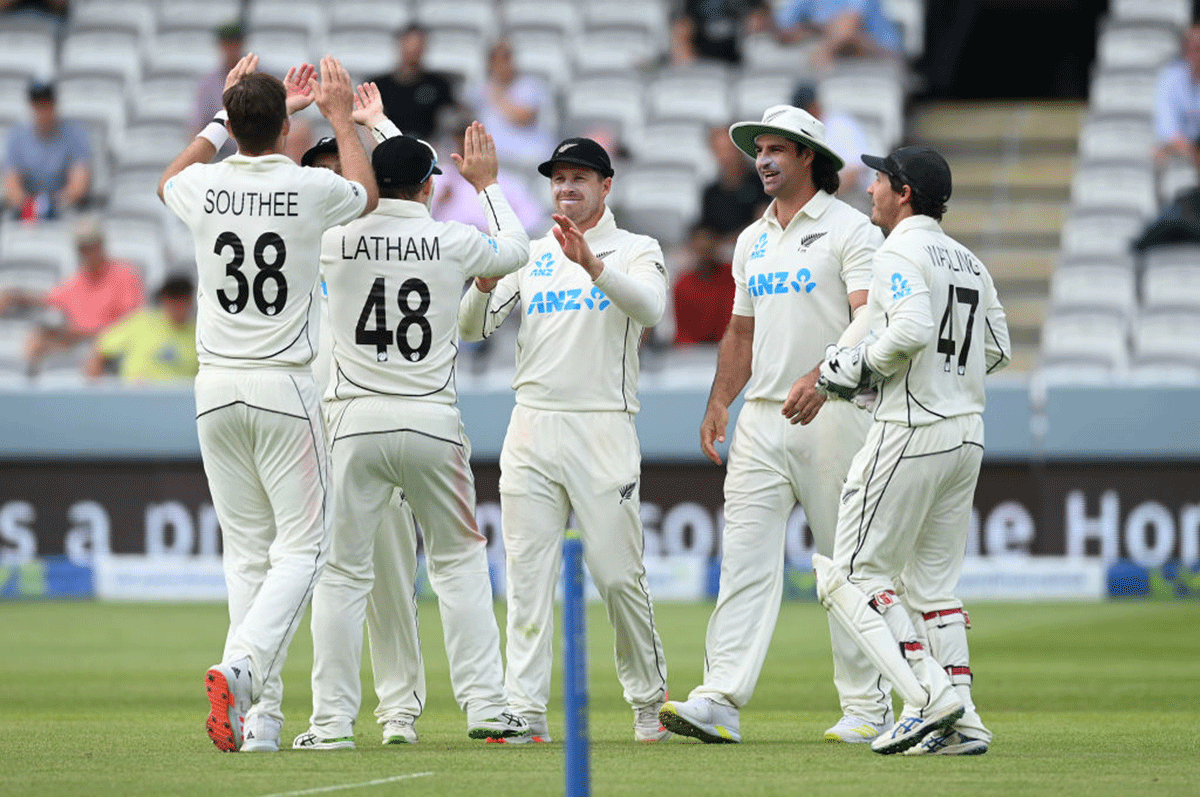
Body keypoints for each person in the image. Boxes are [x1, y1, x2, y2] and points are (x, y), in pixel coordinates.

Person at [158, 53, 379, 753]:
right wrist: (341, 117)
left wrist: (225, 114)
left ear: (234, 120)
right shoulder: (307, 189)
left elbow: (168, 178)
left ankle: (261, 722)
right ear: (288, 126)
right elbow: (366, 195)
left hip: (215, 388)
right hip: (283, 382)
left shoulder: (205, 183)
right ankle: (244, 667)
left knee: (248, 554)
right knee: (306, 547)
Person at [293, 112, 534, 750]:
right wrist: (486, 185)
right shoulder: (452, 239)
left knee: (343, 576)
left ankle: (332, 725)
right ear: (429, 187)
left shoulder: (336, 238)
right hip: (432, 420)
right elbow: (518, 248)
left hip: (353, 422)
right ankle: (486, 707)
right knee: (458, 562)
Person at [659, 105, 889, 745]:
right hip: (760, 421)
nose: (760, 160)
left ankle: (869, 710)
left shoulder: (852, 229)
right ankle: (720, 700)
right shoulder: (755, 238)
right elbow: (741, 330)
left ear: (807, 157)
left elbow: (870, 319)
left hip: (835, 412)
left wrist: (825, 374)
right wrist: (718, 402)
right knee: (744, 565)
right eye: (758, 149)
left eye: (775, 150)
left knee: (845, 567)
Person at [459, 137, 671, 744]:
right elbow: (473, 330)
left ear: (606, 186)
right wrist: (478, 285)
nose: (567, 187)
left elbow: (652, 310)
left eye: (580, 177)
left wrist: (594, 266)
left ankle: (648, 703)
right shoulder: (530, 253)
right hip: (531, 424)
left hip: (602, 423)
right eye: (559, 179)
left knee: (617, 576)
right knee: (526, 576)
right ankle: (524, 711)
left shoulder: (637, 249)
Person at [811, 144, 1009, 755]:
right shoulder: (970, 261)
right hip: (966, 430)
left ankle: (927, 698)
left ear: (904, 192)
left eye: (878, 180)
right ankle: (964, 721)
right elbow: (996, 348)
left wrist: (858, 369)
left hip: (913, 428)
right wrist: (942, 378)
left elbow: (914, 329)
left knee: (848, 576)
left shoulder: (897, 249)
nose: (868, 188)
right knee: (932, 590)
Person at [0, 216, 143, 376]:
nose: (89, 253)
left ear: (102, 245)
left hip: (110, 344)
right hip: (77, 340)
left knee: (96, 354)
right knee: (36, 340)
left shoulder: (125, 275)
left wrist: (85, 333)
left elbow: (131, 322)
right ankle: (27, 393)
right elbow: (48, 299)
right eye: (83, 248)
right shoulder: (77, 281)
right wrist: (14, 295)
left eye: (92, 246)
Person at [432, 119, 545, 234]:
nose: (465, 151)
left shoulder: (507, 181)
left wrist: (498, 231)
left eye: (471, 146)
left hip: (492, 245)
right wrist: (438, 201)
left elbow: (533, 217)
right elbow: (419, 221)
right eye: (460, 145)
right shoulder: (438, 179)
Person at [3, 80, 91, 221]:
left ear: (55, 104)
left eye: (46, 104)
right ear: (31, 106)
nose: (42, 110)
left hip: (64, 208)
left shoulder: (74, 134)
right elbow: (11, 184)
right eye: (37, 105)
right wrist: (32, 206)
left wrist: (51, 205)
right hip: (26, 209)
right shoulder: (17, 136)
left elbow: (78, 185)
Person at [84, 274, 197, 381]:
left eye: (183, 299)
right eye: (173, 298)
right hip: (137, 398)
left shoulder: (200, 334)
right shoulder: (141, 322)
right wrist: (95, 390)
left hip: (183, 399)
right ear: (163, 300)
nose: (178, 304)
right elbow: (101, 348)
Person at [464, 40, 555, 170]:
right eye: (497, 60)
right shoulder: (479, 88)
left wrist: (497, 96)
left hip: (528, 158)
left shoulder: (530, 85)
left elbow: (525, 118)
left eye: (506, 58)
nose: (502, 65)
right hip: (494, 159)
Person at [369, 23, 459, 142]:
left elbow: (452, 117)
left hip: (430, 149)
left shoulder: (439, 84)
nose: (413, 48)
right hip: (388, 149)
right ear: (400, 44)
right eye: (409, 43)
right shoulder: (379, 85)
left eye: (418, 44)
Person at [774, 0, 903, 71]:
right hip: (842, 59)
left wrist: (823, 50)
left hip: (882, 57)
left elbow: (847, 28)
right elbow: (783, 30)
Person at [793, 82, 870, 197]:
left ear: (815, 105)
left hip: (851, 195)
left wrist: (826, 197)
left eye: (807, 108)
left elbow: (855, 171)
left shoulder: (841, 125)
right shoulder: (801, 130)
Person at [699, 123, 770, 245]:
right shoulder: (711, 193)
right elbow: (706, 231)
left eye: (729, 149)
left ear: (740, 149)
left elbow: (764, 225)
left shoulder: (764, 182)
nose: (725, 157)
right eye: (719, 150)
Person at [192, 22, 249, 160]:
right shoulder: (208, 85)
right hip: (221, 154)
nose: (230, 48)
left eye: (234, 43)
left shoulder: (261, 78)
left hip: (257, 149)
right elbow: (196, 126)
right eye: (226, 43)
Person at [672, 221, 735, 345]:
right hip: (693, 353)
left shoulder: (734, 279)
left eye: (708, 240)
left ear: (717, 243)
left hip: (728, 348)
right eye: (699, 241)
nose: (704, 246)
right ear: (691, 245)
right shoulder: (683, 284)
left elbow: (735, 323)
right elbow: (683, 331)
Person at [669, 0, 772, 65]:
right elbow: (682, 24)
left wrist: (757, 19)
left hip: (739, 58)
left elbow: (762, 14)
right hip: (701, 59)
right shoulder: (692, 3)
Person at [1155, 24, 1200, 165]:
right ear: (1186, 51)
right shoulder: (1170, 78)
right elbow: (1170, 134)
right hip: (1181, 150)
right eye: (1196, 49)